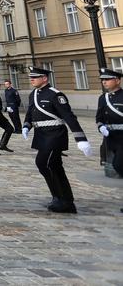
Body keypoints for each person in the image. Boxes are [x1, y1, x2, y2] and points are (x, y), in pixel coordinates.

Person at [22, 66, 92, 213]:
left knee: (43, 163)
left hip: (55, 134)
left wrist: (80, 138)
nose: (32, 79)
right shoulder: (33, 94)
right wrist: (26, 125)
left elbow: (68, 116)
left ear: (45, 78)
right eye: (31, 77)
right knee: (54, 167)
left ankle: (63, 199)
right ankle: (61, 198)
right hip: (41, 134)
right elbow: (30, 112)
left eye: (35, 77)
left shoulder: (55, 95)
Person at [95, 67, 123, 213]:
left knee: (119, 165)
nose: (104, 82)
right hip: (112, 138)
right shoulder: (102, 98)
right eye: (103, 80)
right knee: (118, 167)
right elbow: (99, 118)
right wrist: (101, 127)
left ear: (117, 80)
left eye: (107, 79)